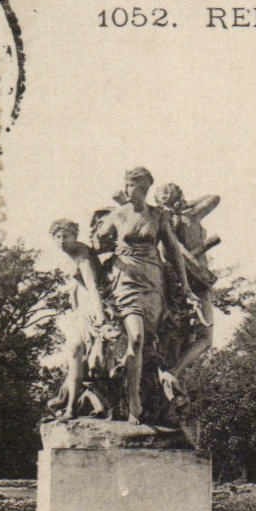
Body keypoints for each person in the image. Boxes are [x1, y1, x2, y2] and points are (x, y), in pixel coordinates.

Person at [90, 167, 196, 425]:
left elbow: (173, 252)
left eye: (132, 186)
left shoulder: (158, 216)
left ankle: (150, 397)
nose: (128, 190)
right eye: (126, 185)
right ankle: (133, 400)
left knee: (148, 342)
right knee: (135, 337)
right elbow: (95, 244)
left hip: (153, 283)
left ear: (145, 188)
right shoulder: (118, 214)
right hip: (125, 281)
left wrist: (186, 287)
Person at [151, 183, 221, 383]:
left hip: (199, 280)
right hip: (178, 280)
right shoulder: (159, 219)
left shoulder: (192, 214)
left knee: (206, 337)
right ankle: (166, 371)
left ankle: (173, 372)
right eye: (161, 193)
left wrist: (185, 205)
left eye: (168, 191)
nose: (165, 196)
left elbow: (214, 196)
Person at [47, 219, 114, 420]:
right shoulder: (69, 255)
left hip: (91, 312)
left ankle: (71, 407)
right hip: (80, 312)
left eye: (65, 236)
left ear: (75, 236)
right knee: (77, 357)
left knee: (78, 352)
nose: (61, 241)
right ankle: (75, 405)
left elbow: (92, 287)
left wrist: (100, 316)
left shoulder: (82, 256)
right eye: (57, 237)